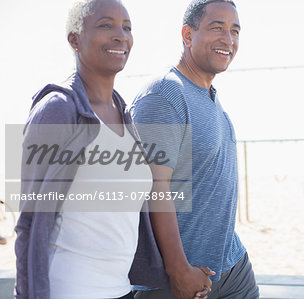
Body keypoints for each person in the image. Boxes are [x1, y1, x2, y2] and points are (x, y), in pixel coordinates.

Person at [14, 0, 170, 298]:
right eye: (105, 25)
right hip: (69, 289)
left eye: (127, 27)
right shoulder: (58, 110)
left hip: (121, 290)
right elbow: (29, 220)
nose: (120, 35)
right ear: (74, 39)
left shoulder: (124, 114)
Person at [131, 0, 259, 298]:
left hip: (232, 266)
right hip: (178, 278)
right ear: (187, 35)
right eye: (217, 28)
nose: (228, 39)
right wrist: (178, 270)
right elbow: (152, 186)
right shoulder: (165, 94)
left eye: (235, 31)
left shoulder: (209, 96)